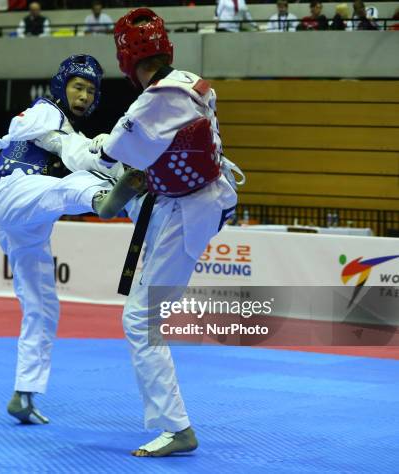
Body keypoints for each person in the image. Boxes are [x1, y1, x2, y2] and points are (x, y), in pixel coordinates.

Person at [88, 8, 244, 456]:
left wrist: (76, 146)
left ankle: (177, 429)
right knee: (144, 310)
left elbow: (117, 154)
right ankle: (174, 426)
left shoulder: (155, 99)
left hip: (186, 210)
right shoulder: (190, 81)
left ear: (125, 58)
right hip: (191, 200)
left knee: (141, 318)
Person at [0, 55, 126, 425]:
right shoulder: (46, 111)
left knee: (43, 304)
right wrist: (108, 154)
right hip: (14, 191)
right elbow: (71, 151)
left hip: (26, 223)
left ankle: (24, 393)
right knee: (71, 186)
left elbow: (76, 149)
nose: (83, 96)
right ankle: (102, 200)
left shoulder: (68, 131)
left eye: (90, 91)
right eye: (77, 86)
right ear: (61, 86)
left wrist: (107, 154)